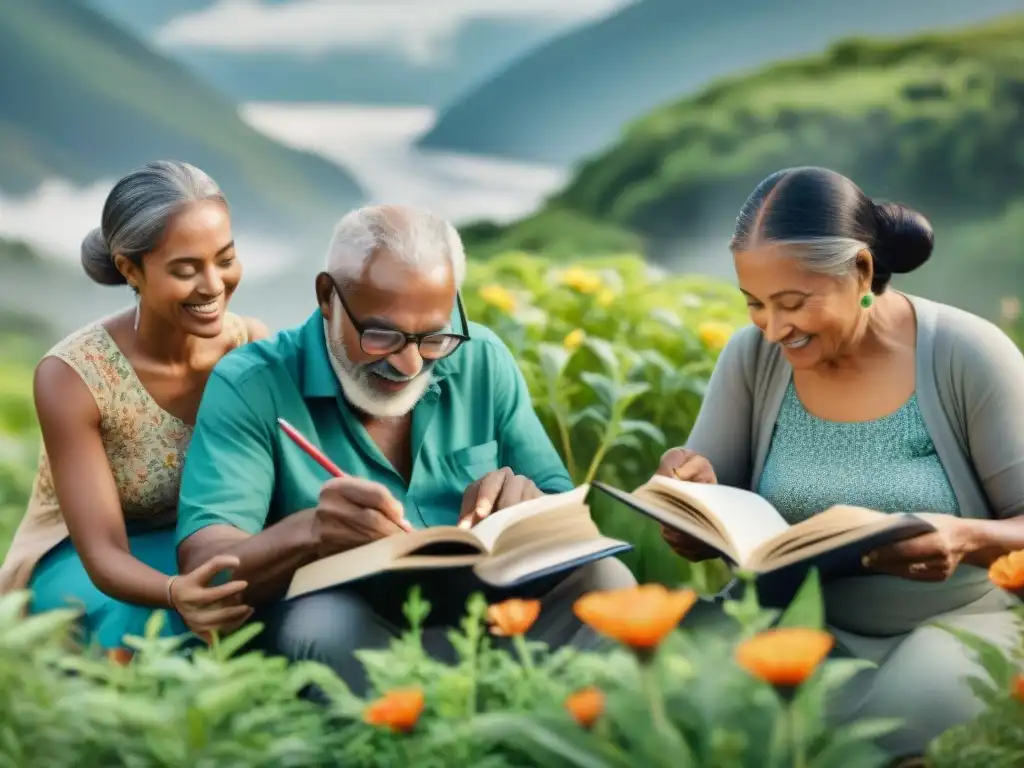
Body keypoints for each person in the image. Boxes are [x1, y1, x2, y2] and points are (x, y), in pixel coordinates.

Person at [174, 204, 637, 695]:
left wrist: (528, 502)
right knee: (326, 625)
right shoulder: (254, 384)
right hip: (350, 635)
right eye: (381, 335)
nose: (411, 363)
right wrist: (308, 533)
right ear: (327, 296)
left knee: (607, 580)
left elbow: (563, 513)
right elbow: (206, 567)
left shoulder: (481, 358)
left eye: (434, 336)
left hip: (486, 619)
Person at [655, 166, 1024, 760]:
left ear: (861, 270)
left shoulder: (967, 355)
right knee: (663, 687)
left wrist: (962, 537)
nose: (774, 328)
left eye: (794, 303)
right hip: (788, 624)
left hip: (951, 625)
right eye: (754, 304)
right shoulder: (753, 356)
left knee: (895, 725)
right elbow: (711, 502)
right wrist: (687, 503)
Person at [0, 161, 268, 651]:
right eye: (186, 270)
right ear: (130, 269)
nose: (213, 285)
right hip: (89, 561)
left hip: (202, 542)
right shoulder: (74, 377)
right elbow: (102, 550)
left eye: (225, 259)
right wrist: (173, 591)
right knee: (157, 632)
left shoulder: (248, 346)